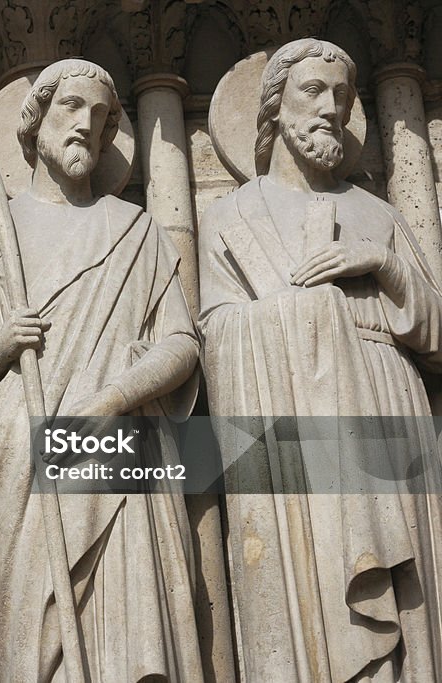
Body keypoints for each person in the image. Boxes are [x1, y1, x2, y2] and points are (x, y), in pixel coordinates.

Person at [0, 58, 204, 680]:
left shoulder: (134, 231)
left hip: (119, 452)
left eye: (102, 116)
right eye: (71, 108)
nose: (87, 125)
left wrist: (116, 395)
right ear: (34, 123)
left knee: (126, 640)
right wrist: (1, 347)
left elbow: (182, 343)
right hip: (18, 458)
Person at [199, 38, 442, 681]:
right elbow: (214, 340)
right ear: (275, 107)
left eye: (343, 96)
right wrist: (308, 316)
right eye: (312, 91)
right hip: (286, 432)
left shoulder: (379, 214)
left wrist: (383, 265)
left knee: (412, 627)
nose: (331, 108)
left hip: (389, 412)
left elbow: (440, 337)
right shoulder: (229, 219)